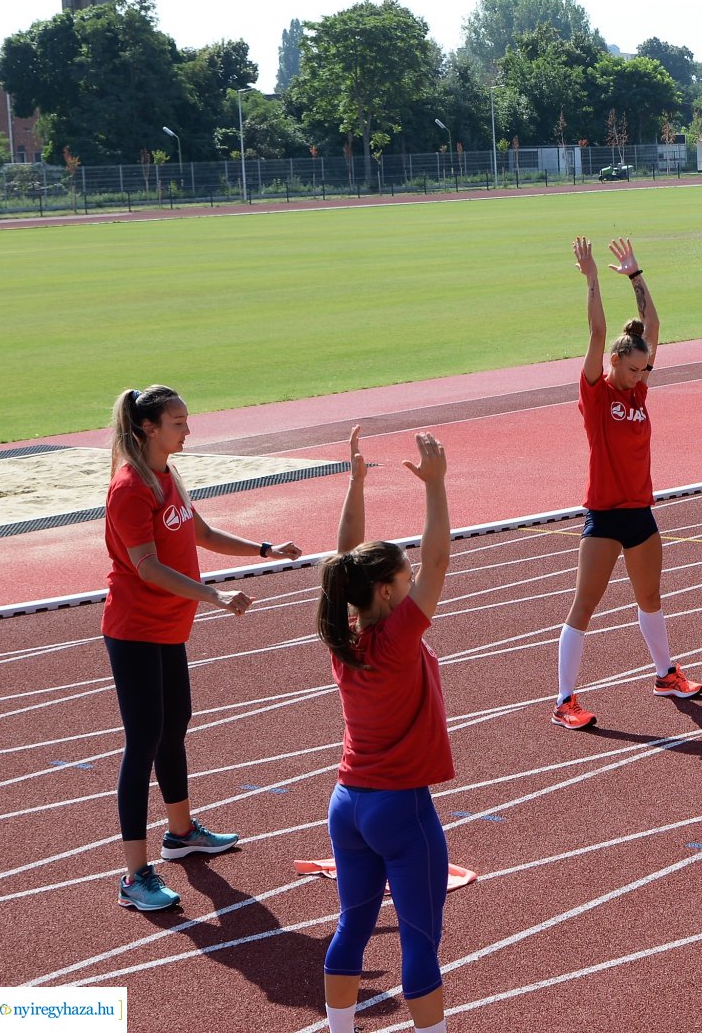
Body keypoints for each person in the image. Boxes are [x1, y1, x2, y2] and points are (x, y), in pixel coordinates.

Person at [103, 385, 301, 912]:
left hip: (168, 628)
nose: (188, 430)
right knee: (142, 740)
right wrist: (213, 595)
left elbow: (201, 533)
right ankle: (134, 875)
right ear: (148, 427)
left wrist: (264, 549)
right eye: (177, 422)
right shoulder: (130, 489)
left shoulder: (167, 476)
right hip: (135, 630)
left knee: (175, 725)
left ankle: (181, 832)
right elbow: (146, 567)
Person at [318, 428, 454, 1033]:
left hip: (347, 806)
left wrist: (356, 483)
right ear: (384, 591)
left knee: (352, 928)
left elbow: (343, 558)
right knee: (420, 943)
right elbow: (441, 559)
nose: (411, 587)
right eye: (403, 581)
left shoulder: (342, 634)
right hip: (401, 811)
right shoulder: (399, 637)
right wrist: (436, 487)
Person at [554, 235, 702, 731]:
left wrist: (637, 275)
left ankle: (665, 674)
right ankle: (565, 700)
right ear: (614, 362)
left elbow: (655, 325)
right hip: (604, 515)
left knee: (651, 599)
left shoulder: (639, 396)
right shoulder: (595, 395)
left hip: (641, 513)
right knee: (586, 604)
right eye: (634, 367)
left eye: (646, 369)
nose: (642, 376)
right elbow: (596, 331)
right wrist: (594, 280)